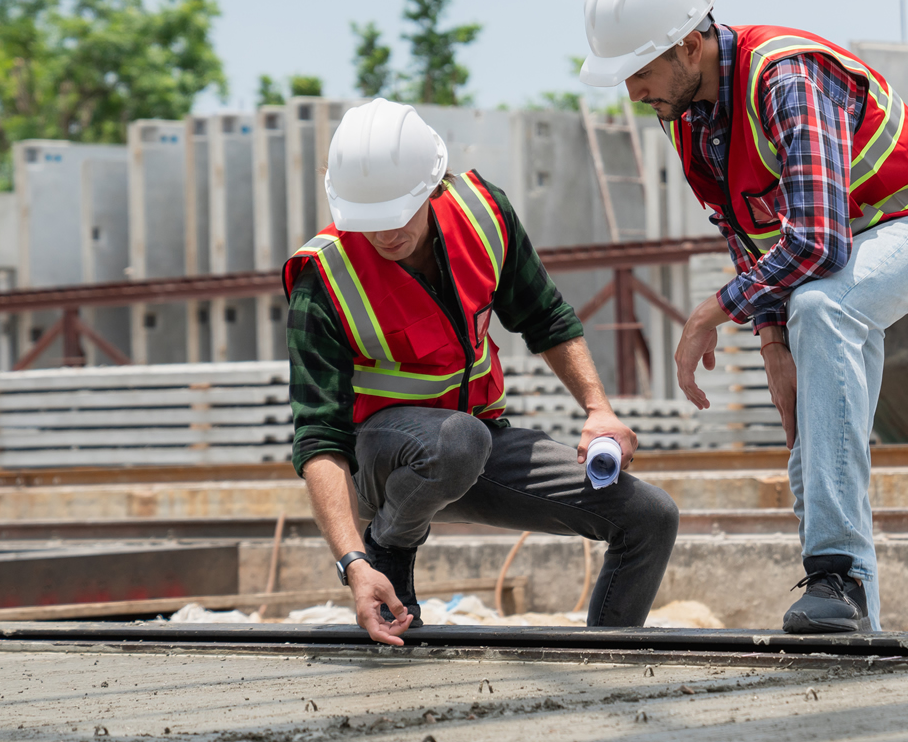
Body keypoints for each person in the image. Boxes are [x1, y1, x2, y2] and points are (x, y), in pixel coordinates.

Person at [578, 0, 908, 633]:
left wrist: (713, 311)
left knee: (823, 304)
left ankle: (836, 574)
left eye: (640, 71)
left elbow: (819, 240)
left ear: (689, 45)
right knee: (812, 413)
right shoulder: (687, 115)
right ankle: (851, 621)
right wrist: (769, 337)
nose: (634, 92)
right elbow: (746, 226)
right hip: (837, 253)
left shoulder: (783, 75)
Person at [285, 98, 679, 645]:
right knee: (457, 440)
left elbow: (545, 317)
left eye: (400, 212)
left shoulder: (483, 215)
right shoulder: (324, 276)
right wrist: (355, 562)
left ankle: (606, 659)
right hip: (377, 467)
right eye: (371, 221)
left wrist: (599, 409)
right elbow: (318, 437)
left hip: (473, 447)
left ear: (433, 186)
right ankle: (390, 552)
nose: (386, 234)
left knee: (651, 518)